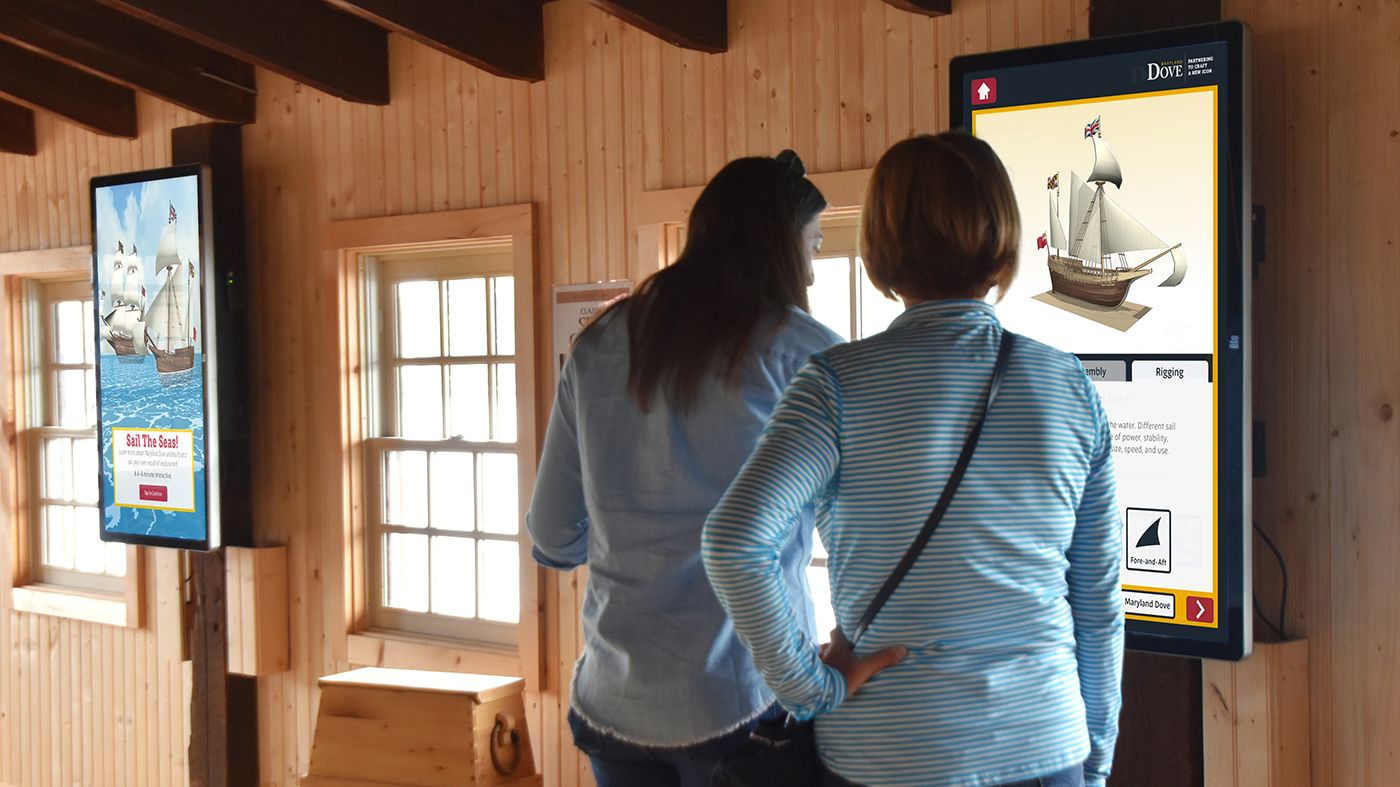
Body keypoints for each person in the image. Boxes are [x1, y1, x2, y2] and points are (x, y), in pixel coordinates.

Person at [703, 132, 1123, 787]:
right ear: (1003, 239)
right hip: (1045, 746)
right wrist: (1094, 756)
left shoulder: (834, 384)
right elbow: (1096, 602)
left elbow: (733, 540)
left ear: (879, 247)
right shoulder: (1069, 386)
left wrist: (808, 687)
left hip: (886, 754)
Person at [527, 151, 846, 787]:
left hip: (614, 706)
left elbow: (553, 539)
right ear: (781, 247)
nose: (811, 264)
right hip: (748, 703)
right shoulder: (806, 354)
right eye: (810, 244)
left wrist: (635, 532)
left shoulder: (596, 345)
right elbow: (863, 534)